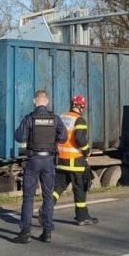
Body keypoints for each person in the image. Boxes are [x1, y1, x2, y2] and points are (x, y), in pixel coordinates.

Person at [13, 90, 66, 243]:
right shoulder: (55, 119)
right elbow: (63, 137)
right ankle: (47, 232)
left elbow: (19, 137)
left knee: (28, 196)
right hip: (49, 160)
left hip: (33, 160)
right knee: (48, 196)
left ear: (34, 101)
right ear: (47, 101)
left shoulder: (29, 119)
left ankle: (25, 233)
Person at [42, 95, 98, 226]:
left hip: (61, 160)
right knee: (80, 189)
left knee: (58, 188)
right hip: (75, 161)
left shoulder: (62, 117)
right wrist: (86, 150)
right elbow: (80, 139)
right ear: (81, 106)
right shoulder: (79, 120)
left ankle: (45, 210)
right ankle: (82, 216)